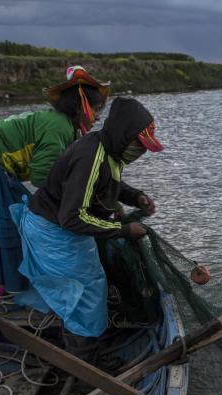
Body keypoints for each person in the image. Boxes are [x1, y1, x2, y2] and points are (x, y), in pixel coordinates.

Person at [0, 65, 110, 296]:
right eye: (97, 110)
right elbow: (42, 175)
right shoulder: (59, 127)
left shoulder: (59, 124)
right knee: (6, 221)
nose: (98, 117)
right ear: (81, 108)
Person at [10, 97, 162, 351]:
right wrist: (123, 229)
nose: (141, 150)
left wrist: (136, 196)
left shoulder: (110, 150)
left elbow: (107, 184)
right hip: (52, 230)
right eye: (139, 144)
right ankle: (84, 355)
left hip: (62, 225)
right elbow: (72, 217)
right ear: (124, 135)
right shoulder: (90, 156)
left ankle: (85, 338)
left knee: (90, 284)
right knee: (86, 294)